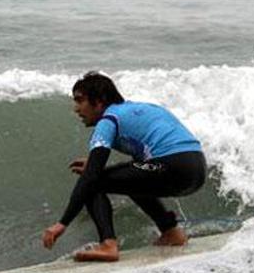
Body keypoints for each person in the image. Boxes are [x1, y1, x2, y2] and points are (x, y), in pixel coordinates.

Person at [42, 72, 206, 262]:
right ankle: (171, 233)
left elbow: (91, 177)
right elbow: (145, 158)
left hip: (170, 166)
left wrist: (62, 223)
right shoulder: (140, 108)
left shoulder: (108, 120)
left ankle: (108, 245)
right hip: (196, 168)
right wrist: (96, 164)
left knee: (93, 182)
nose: (76, 109)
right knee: (131, 180)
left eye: (80, 101)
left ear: (99, 101)